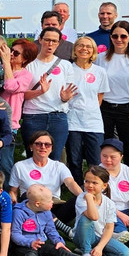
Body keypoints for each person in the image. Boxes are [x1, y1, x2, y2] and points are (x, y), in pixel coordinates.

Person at [11, 184, 112, 256]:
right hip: (23, 245)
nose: (52, 203)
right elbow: (15, 234)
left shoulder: (46, 212)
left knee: (63, 252)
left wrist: (58, 241)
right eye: (50, 200)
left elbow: (51, 230)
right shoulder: (19, 212)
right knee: (30, 254)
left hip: (42, 243)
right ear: (38, 203)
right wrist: (30, 243)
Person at [95, 20, 129, 171]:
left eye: (123, 36)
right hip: (105, 108)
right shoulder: (100, 58)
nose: (119, 40)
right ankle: (104, 182)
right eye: (115, 36)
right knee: (105, 148)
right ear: (110, 37)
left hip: (128, 109)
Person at [20, 26, 77, 161]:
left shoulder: (65, 65)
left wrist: (66, 98)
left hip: (58, 117)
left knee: (55, 158)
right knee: (33, 158)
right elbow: (22, 95)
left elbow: (68, 93)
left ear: (59, 43)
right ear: (40, 40)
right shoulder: (29, 65)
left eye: (54, 41)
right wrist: (40, 92)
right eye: (47, 40)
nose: (50, 44)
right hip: (33, 117)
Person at [8, 130, 82, 223]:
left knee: (80, 198)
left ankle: (50, 223)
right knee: (27, 194)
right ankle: (56, 225)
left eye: (47, 144)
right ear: (31, 147)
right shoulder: (20, 166)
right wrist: (13, 198)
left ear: (51, 148)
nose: (43, 147)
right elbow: (13, 191)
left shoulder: (59, 166)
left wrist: (83, 196)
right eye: (38, 144)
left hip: (54, 205)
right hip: (32, 207)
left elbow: (70, 183)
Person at [66, 36, 109, 181]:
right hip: (72, 120)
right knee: (74, 159)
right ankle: (77, 190)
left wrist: (89, 109)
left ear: (93, 51)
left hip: (93, 122)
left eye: (88, 47)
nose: (84, 49)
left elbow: (99, 97)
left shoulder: (100, 72)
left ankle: (94, 188)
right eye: (81, 45)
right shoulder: (68, 69)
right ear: (75, 49)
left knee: (95, 160)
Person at [71, 166, 129, 256]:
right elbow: (94, 216)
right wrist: (89, 198)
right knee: (86, 219)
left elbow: (109, 228)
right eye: (87, 181)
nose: (89, 185)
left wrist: (100, 247)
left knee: (126, 255)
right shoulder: (81, 198)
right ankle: (86, 252)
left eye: (94, 183)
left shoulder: (110, 203)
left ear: (104, 185)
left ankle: (93, 250)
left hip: (99, 237)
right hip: (81, 236)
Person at [0, 39, 37, 180]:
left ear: (25, 59)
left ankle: (10, 197)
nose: (11, 54)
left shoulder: (25, 75)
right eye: (11, 50)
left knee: (5, 164)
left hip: (9, 124)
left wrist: (6, 64)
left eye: (16, 53)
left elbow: (10, 86)